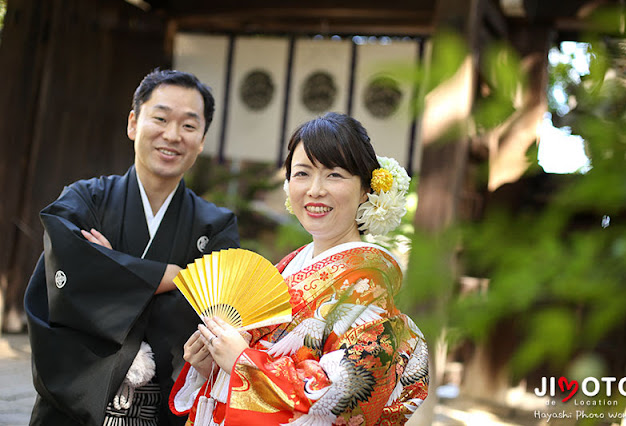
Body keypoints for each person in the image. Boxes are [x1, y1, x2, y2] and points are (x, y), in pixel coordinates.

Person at [169, 112, 429, 425]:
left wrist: (243, 362)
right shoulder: (291, 264)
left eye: (334, 175)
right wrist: (213, 366)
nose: (315, 190)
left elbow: (347, 392)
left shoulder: (367, 283)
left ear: (365, 189)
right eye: (302, 173)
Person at [24, 69, 240, 426]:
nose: (172, 135)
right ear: (133, 123)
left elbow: (215, 312)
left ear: (202, 140)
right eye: (160, 118)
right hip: (73, 410)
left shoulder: (215, 225)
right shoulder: (84, 200)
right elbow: (61, 280)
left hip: (163, 408)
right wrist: (170, 276)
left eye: (189, 126)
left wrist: (110, 268)